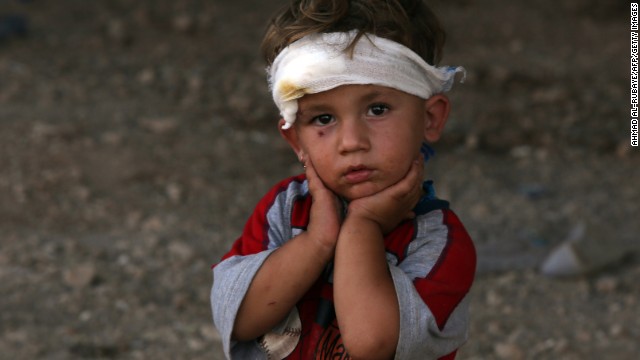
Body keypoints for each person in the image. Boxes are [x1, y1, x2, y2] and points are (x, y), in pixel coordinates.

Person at [211, 0, 476, 359]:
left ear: (430, 118)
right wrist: (317, 240)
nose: (352, 142)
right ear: (296, 140)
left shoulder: (438, 242)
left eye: (377, 109)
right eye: (323, 119)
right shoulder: (285, 210)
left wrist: (362, 225)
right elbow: (241, 320)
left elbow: (372, 343)